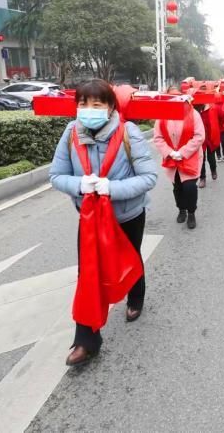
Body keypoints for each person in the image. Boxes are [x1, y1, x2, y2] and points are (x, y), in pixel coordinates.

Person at [49, 79, 157, 366]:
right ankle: (86, 340)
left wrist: (111, 188)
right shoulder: (72, 132)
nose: (88, 109)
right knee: (88, 274)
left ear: (110, 107)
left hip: (127, 214)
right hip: (90, 217)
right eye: (83, 103)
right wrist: (81, 184)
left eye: (97, 104)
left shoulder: (128, 132)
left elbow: (148, 178)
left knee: (130, 259)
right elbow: (56, 175)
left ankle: (135, 298)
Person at [153, 94, 205, 229]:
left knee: (189, 187)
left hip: (190, 157)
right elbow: (158, 137)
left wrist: (182, 152)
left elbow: (199, 136)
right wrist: (170, 152)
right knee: (177, 187)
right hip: (171, 159)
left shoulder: (193, 114)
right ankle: (181, 209)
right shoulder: (162, 116)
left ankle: (191, 211)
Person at [197, 103, 220, 188]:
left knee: (211, 158)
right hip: (200, 139)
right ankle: (202, 178)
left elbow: (219, 119)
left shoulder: (212, 107)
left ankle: (213, 170)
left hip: (210, 137)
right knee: (201, 159)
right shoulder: (195, 109)